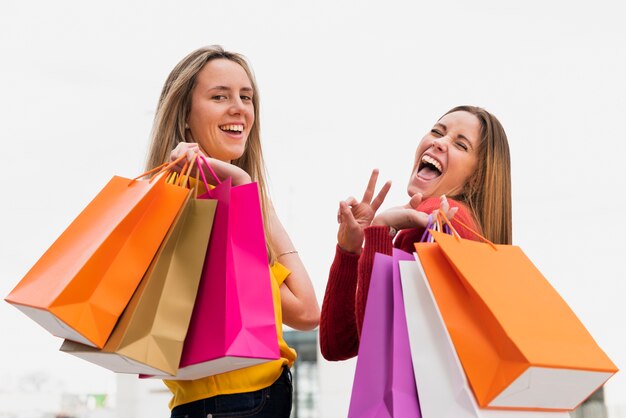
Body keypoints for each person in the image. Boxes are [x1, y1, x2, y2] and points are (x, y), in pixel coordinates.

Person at [145, 45, 320, 417]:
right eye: (219, 96)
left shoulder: (240, 199)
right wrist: (241, 185)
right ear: (186, 116)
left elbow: (306, 311)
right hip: (228, 403)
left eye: (246, 97)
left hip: (256, 400)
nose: (239, 108)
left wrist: (252, 197)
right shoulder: (182, 199)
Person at [319, 105, 511, 361]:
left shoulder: (436, 217)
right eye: (437, 131)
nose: (440, 143)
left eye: (460, 145)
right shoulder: (465, 227)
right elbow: (339, 345)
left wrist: (380, 229)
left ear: (476, 178)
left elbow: (377, 349)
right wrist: (350, 249)